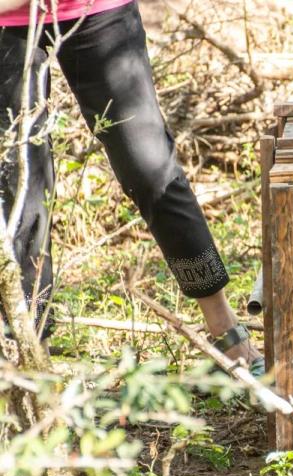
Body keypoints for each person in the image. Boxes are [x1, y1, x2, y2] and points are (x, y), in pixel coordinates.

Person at [0, 0, 264, 375]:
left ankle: (226, 330)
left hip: (96, 11)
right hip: (5, 23)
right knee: (18, 188)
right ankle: (31, 361)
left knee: (150, 166)